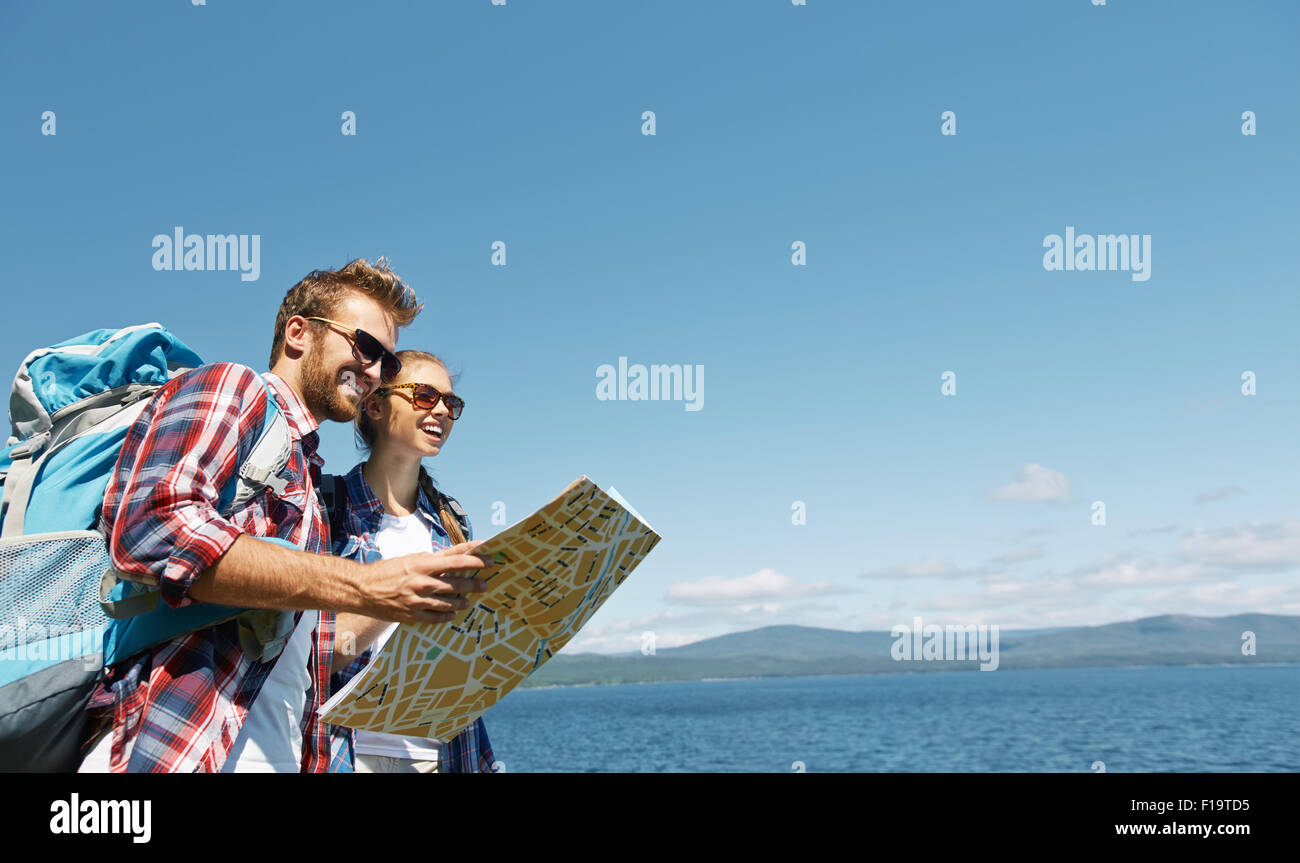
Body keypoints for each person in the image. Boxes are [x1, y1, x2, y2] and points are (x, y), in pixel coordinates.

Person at [80, 259, 492, 773]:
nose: (372, 373)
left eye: (386, 365)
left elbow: (308, 658)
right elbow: (153, 527)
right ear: (298, 332)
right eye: (365, 348)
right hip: (180, 747)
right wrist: (367, 586)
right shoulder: (234, 386)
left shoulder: (305, 475)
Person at [326, 350, 495, 773]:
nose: (441, 409)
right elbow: (306, 654)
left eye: (450, 403)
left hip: (443, 752)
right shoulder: (326, 507)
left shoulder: (452, 521)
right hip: (347, 752)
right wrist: (394, 601)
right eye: (423, 395)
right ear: (376, 405)